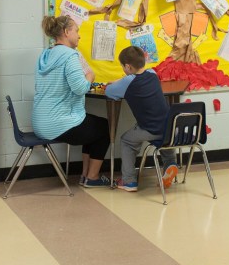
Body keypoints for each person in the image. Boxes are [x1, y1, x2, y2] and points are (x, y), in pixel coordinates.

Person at [32, 15, 111, 187]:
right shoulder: (69, 56)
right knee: (105, 127)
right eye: (76, 31)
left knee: (93, 125)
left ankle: (85, 175)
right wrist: (90, 76)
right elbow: (80, 88)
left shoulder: (46, 55)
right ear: (67, 32)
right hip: (58, 124)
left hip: (40, 123)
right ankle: (92, 177)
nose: (79, 35)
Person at [105, 46, 177, 192]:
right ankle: (170, 164)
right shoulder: (153, 73)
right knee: (164, 135)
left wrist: (117, 83)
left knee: (126, 140)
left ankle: (129, 181)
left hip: (150, 129)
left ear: (127, 66)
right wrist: (123, 79)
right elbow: (132, 77)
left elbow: (109, 91)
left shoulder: (128, 82)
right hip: (170, 126)